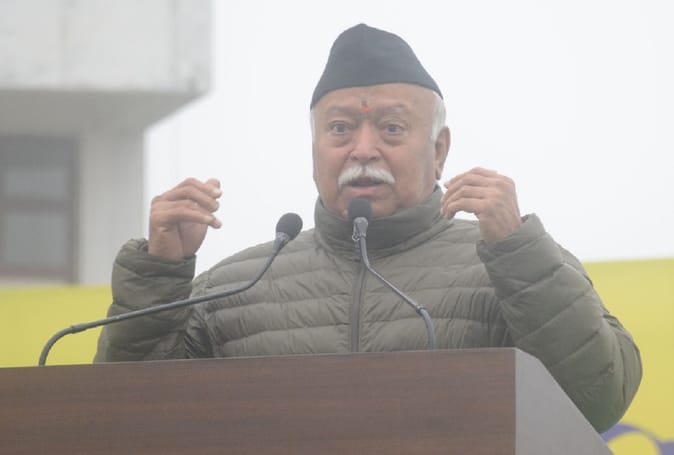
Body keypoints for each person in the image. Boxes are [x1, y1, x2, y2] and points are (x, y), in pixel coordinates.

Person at [95, 23, 641, 433]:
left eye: (391, 128)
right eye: (340, 128)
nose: (362, 149)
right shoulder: (236, 287)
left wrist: (519, 251)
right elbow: (125, 423)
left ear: (439, 150)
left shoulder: (510, 264)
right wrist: (160, 276)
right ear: (314, 149)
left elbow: (595, 400)